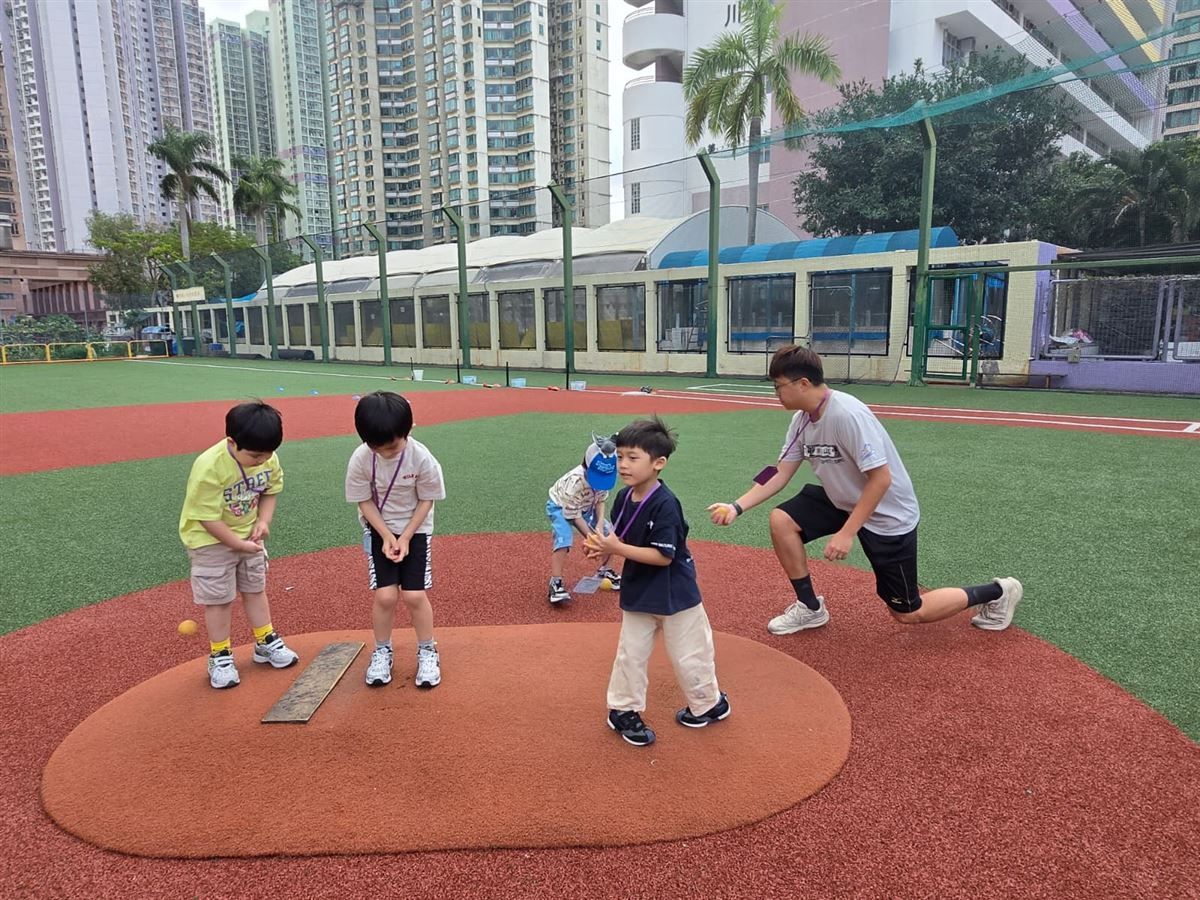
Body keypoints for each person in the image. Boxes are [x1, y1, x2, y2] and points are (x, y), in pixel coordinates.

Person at [709, 345, 1022, 634]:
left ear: (803, 383)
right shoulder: (801, 421)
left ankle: (999, 592)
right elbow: (778, 471)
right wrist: (736, 506)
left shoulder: (847, 415)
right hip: (843, 499)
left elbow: (881, 479)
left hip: (887, 513)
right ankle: (810, 607)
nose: (776, 393)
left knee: (908, 612)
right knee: (782, 521)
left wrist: (847, 533)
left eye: (778, 386)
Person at [586, 417, 729, 747]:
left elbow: (663, 556)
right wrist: (602, 547)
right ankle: (623, 710)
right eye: (619, 456)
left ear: (658, 462)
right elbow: (619, 535)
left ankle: (709, 703)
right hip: (639, 591)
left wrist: (615, 548)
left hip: (676, 594)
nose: (623, 464)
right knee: (630, 655)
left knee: (690, 654)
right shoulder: (624, 497)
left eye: (632, 457)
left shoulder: (666, 504)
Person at [179, 401, 299, 689]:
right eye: (256, 455)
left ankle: (265, 641)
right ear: (232, 442)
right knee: (219, 599)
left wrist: (264, 521)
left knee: (255, 588)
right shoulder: (209, 466)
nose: (262, 460)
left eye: (268, 454)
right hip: (210, 541)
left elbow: (270, 491)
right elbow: (207, 518)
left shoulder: (268, 458)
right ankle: (220, 655)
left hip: (248, 537)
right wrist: (237, 544)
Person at [345, 391, 446, 688]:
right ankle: (382, 650)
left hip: (417, 529)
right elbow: (363, 500)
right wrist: (388, 536)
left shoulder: (422, 457)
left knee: (414, 595)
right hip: (379, 530)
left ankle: (427, 650)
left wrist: (406, 536)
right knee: (385, 596)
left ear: (409, 430)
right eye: (377, 447)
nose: (386, 453)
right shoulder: (361, 458)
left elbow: (427, 499)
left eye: (392, 446)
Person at [545, 434, 622, 604]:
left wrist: (600, 524)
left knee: (609, 533)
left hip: (587, 506)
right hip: (561, 506)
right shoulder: (575, 482)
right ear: (587, 466)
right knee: (564, 538)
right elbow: (574, 516)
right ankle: (555, 583)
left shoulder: (604, 477)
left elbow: (600, 500)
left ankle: (605, 570)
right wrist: (592, 538)